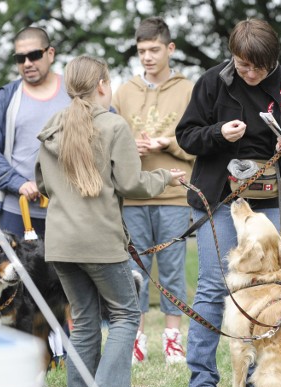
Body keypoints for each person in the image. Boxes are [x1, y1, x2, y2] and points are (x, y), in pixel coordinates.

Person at [35, 55, 185, 387]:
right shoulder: (113, 126)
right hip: (99, 241)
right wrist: (166, 176)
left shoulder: (52, 127)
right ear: (103, 84)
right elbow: (133, 185)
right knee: (125, 314)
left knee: (85, 324)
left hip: (60, 244)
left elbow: (41, 184)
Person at [175, 18, 281, 387]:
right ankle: (203, 383)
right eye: (241, 65)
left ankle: (258, 376)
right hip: (221, 194)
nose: (248, 72)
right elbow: (186, 136)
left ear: (272, 61)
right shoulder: (211, 82)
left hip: (269, 194)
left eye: (256, 67)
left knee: (265, 286)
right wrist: (219, 133)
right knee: (212, 284)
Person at [112, 16, 195, 365]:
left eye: (154, 49)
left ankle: (173, 340)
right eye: (141, 50)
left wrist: (168, 143)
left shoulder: (189, 89)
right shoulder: (124, 91)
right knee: (136, 271)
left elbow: (197, 146)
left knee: (173, 270)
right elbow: (111, 141)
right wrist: (132, 146)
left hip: (175, 194)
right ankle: (137, 340)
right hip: (134, 195)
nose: (147, 56)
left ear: (170, 49)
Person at [0, 26, 70, 239]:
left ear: (50, 53)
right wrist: (19, 183)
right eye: (20, 58)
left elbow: (107, 129)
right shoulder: (6, 97)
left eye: (34, 55)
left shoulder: (75, 90)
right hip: (17, 212)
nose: (27, 63)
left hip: (70, 212)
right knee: (17, 273)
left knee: (67, 273)